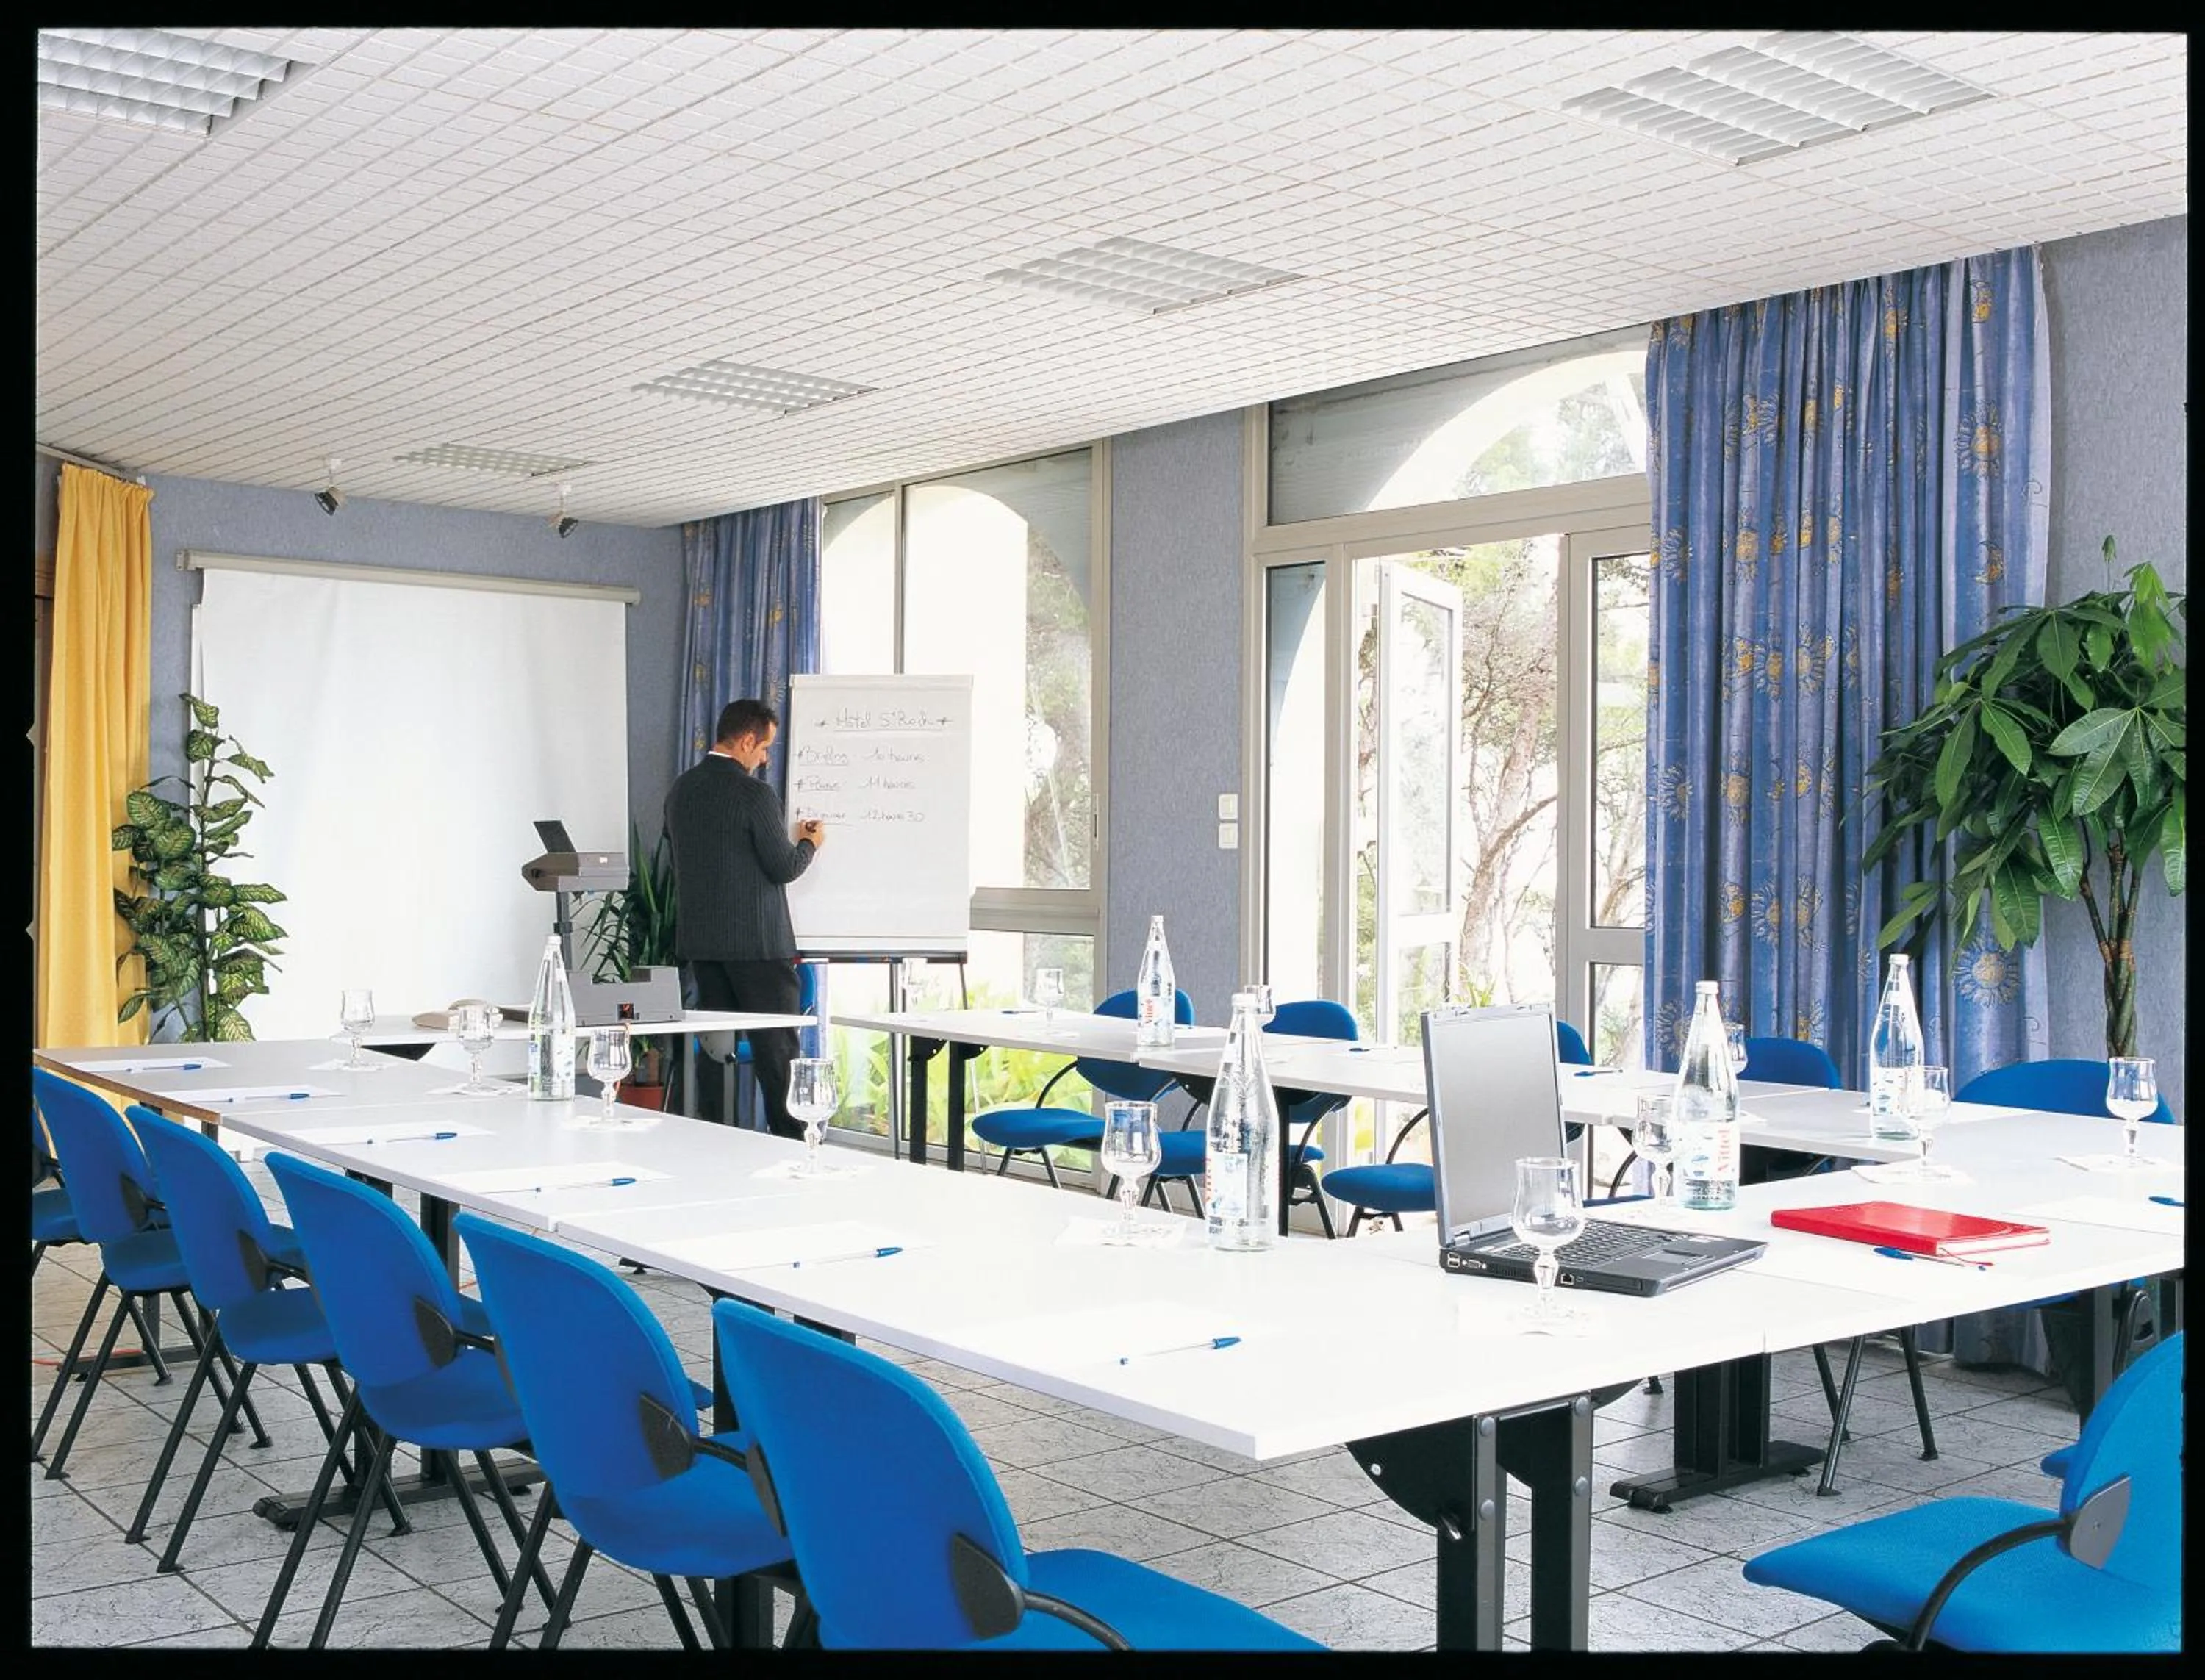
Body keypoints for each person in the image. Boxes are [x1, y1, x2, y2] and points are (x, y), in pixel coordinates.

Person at [663, 697, 826, 1135]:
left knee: (716, 1054)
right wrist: (811, 843)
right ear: (747, 739)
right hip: (758, 946)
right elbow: (783, 867)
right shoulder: (754, 795)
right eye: (764, 748)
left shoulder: (682, 789)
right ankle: (795, 1148)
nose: (765, 758)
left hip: (703, 944)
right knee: (778, 1058)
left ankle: (715, 1143)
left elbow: (682, 861)